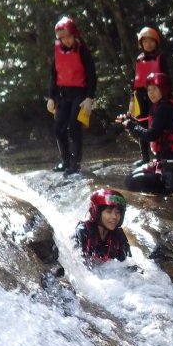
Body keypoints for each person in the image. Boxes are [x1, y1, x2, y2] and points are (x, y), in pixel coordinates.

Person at [118, 72, 173, 194]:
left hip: (172, 170)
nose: (151, 93)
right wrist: (130, 121)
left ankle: (166, 194)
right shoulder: (164, 104)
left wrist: (131, 125)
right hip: (168, 164)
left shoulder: (164, 108)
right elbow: (150, 124)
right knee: (132, 176)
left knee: (131, 181)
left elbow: (151, 135)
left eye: (155, 89)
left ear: (164, 89)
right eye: (149, 90)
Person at [47, 16, 97, 176]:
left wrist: (90, 97)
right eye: (62, 38)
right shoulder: (57, 52)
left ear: (75, 35)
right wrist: (51, 97)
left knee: (74, 127)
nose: (66, 40)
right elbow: (54, 76)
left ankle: (76, 163)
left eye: (68, 36)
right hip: (63, 94)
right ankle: (66, 160)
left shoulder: (82, 50)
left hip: (80, 94)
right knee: (58, 128)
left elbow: (91, 74)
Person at [130, 27, 169, 165]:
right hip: (141, 94)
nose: (148, 44)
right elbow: (135, 78)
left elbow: (166, 77)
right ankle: (145, 157)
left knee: (157, 123)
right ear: (141, 43)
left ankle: (162, 154)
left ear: (156, 42)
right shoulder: (139, 59)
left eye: (151, 41)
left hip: (157, 95)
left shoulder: (161, 57)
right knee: (141, 123)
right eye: (145, 41)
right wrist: (132, 98)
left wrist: (166, 96)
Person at [75, 188, 131, 263]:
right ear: (96, 213)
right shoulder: (83, 231)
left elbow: (127, 263)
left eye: (118, 212)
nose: (114, 216)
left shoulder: (119, 235)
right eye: (109, 212)